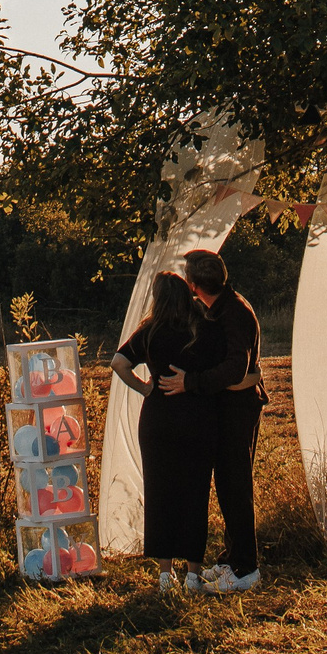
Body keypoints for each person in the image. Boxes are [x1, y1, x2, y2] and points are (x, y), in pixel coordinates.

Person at [110, 270, 216, 589]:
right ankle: (194, 575)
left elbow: (118, 363)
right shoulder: (202, 329)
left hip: (158, 420)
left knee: (161, 494)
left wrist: (145, 388)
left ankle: (165, 574)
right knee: (195, 494)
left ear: (158, 298)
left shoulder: (150, 331)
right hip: (196, 417)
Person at [178, 248, 265, 592]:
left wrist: (192, 382)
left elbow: (236, 368)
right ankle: (232, 558)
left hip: (239, 409)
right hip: (230, 406)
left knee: (235, 485)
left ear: (195, 284)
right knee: (228, 484)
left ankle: (246, 568)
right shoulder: (222, 307)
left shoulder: (233, 313)